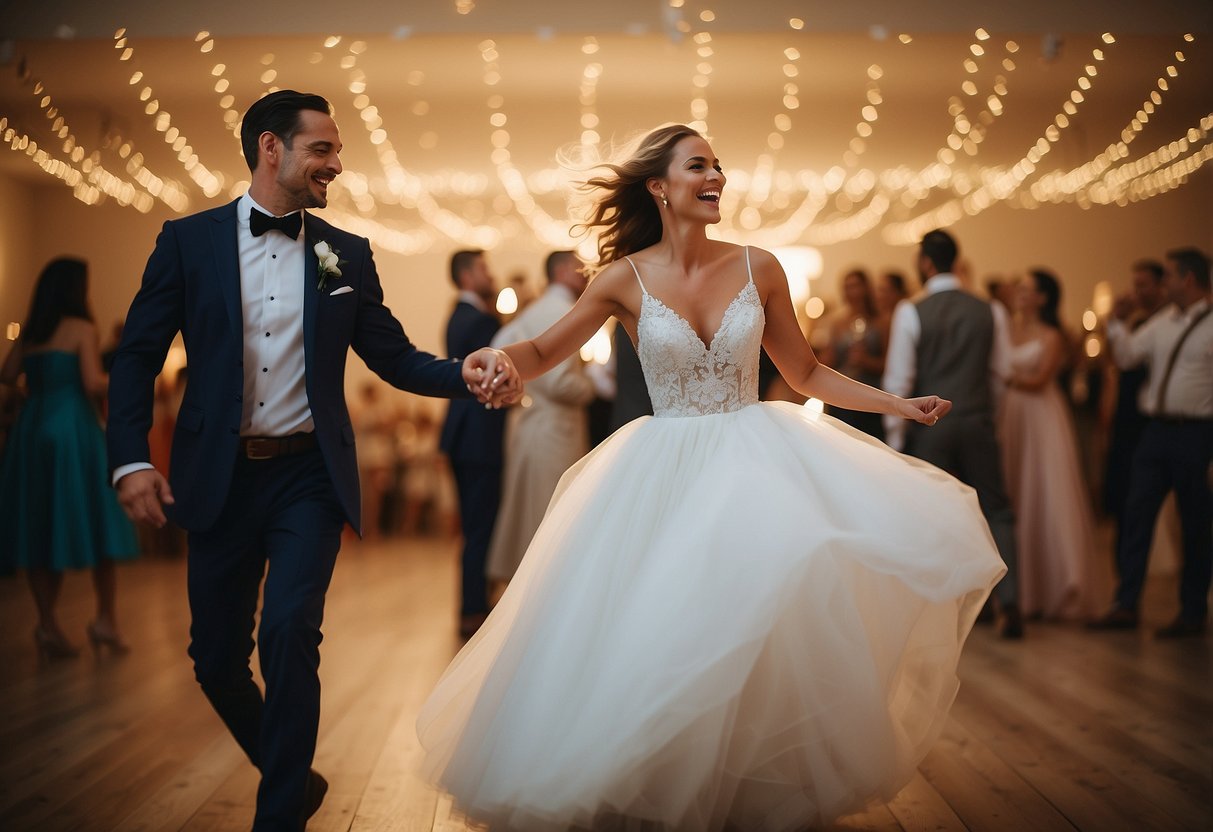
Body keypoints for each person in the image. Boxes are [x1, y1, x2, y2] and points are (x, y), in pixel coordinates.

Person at [416, 124, 1005, 830]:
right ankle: (656, 777)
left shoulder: (760, 266)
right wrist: (497, 360)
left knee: (762, 610)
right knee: (659, 624)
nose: (716, 176)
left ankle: (748, 783)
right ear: (659, 187)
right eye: (699, 166)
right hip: (658, 469)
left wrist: (895, 402)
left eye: (719, 165)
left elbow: (806, 371)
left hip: (753, 461)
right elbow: (544, 347)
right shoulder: (621, 279)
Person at [106, 90, 518, 832]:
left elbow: (391, 357)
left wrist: (463, 372)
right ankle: (292, 780)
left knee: (290, 631)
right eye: (322, 148)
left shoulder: (342, 252)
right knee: (216, 659)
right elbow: (136, 358)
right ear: (272, 148)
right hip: (219, 478)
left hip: (308, 478)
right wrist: (131, 461)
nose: (337, 162)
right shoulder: (187, 242)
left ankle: (277, 819)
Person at [882, 228, 1024, 639]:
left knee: (932, 515)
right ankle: (1009, 604)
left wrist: (896, 439)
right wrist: (986, 416)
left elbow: (898, 382)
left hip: (930, 429)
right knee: (996, 510)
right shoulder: (990, 309)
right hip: (977, 420)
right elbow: (1001, 374)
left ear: (926, 263)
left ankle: (938, 612)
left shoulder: (912, 310)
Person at [0, 258, 139, 659]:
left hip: (33, 429)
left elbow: (8, 375)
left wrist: (38, 386)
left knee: (41, 526)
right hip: (74, 430)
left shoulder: (32, 332)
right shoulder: (81, 328)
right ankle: (106, 620)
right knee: (100, 522)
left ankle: (46, 624)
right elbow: (93, 381)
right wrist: (131, 379)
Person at [1089, 247, 1212, 637]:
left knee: (1194, 522)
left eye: (1170, 276)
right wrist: (1116, 324)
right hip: (1155, 432)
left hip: (1196, 432)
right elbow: (1126, 357)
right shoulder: (1162, 324)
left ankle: (1192, 611)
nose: (1165, 284)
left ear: (1188, 279)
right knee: (1136, 514)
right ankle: (1126, 604)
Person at [486, 251, 599, 585]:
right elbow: (561, 382)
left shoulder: (532, 310)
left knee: (532, 514)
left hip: (531, 424)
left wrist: (519, 391)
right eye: (581, 267)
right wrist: (594, 385)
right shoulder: (563, 311)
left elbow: (499, 346)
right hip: (554, 431)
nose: (587, 274)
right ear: (563, 271)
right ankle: (547, 591)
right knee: (552, 517)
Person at [1000, 269, 1097, 619]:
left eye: (1027, 289)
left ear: (1043, 297)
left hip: (1040, 415)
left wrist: (1005, 377)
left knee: (1043, 490)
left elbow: (1040, 379)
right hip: (1011, 414)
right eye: (1019, 288)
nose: (1020, 293)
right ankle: (1021, 590)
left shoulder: (1052, 335)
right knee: (1015, 490)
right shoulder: (1006, 327)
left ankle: (1059, 585)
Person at [439, 249, 507, 638]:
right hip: (478, 439)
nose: (490, 274)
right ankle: (473, 609)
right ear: (466, 277)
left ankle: (474, 603)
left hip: (464, 436)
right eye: (484, 269)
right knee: (479, 525)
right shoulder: (478, 320)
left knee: (476, 525)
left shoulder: (460, 315)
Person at [1101, 260, 1167, 552]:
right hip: (1129, 419)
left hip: (1154, 419)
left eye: (1144, 284)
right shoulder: (1139, 325)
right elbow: (1120, 362)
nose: (1137, 291)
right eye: (1135, 284)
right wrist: (1115, 320)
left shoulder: (1167, 323)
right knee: (1126, 491)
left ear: (1161, 286)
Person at [820, 267, 885, 439]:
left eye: (855, 286)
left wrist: (866, 361)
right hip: (841, 396)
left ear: (865, 288)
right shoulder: (837, 323)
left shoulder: (881, 322)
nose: (852, 291)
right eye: (847, 287)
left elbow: (890, 364)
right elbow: (829, 358)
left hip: (870, 395)